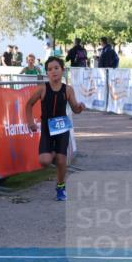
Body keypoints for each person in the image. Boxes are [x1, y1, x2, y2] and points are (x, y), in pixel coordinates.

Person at [24, 56, 85, 201]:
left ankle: (61, 186)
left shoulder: (68, 90)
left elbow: (75, 109)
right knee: (44, 161)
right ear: (47, 73)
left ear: (62, 70)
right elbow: (28, 105)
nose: (54, 71)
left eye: (56, 68)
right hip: (47, 127)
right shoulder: (42, 89)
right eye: (50, 69)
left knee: (62, 160)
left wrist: (80, 108)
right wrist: (30, 121)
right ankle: (52, 153)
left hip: (62, 127)